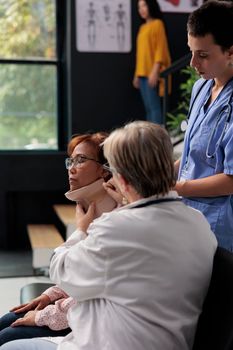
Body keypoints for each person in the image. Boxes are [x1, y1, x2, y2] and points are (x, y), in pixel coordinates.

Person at [2, 121, 217, 350]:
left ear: (120, 177)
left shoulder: (117, 227)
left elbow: (61, 269)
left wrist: (81, 230)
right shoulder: (199, 222)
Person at [0, 132, 117, 346]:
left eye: (81, 160)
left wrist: (45, 315)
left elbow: (98, 296)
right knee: (6, 321)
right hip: (80, 309)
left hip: (96, 323)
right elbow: (81, 274)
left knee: (6, 336)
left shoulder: (115, 222)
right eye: (70, 160)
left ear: (105, 168)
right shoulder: (93, 211)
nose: (71, 168)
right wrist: (50, 295)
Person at [174, 1, 233, 251]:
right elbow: (192, 155)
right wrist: (159, 172)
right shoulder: (201, 87)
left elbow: (231, 180)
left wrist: (176, 187)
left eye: (203, 55)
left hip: (221, 231)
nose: (192, 63)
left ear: (230, 51)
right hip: (189, 221)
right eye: (191, 52)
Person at [133, 0, 171, 124]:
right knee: (148, 109)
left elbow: (160, 49)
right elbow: (140, 54)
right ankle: (150, 139)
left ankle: (157, 139)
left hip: (151, 73)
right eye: (139, 7)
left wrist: (155, 72)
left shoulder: (157, 24)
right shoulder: (142, 28)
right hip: (142, 74)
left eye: (144, 5)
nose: (141, 9)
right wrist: (136, 75)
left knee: (154, 108)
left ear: (150, 6)